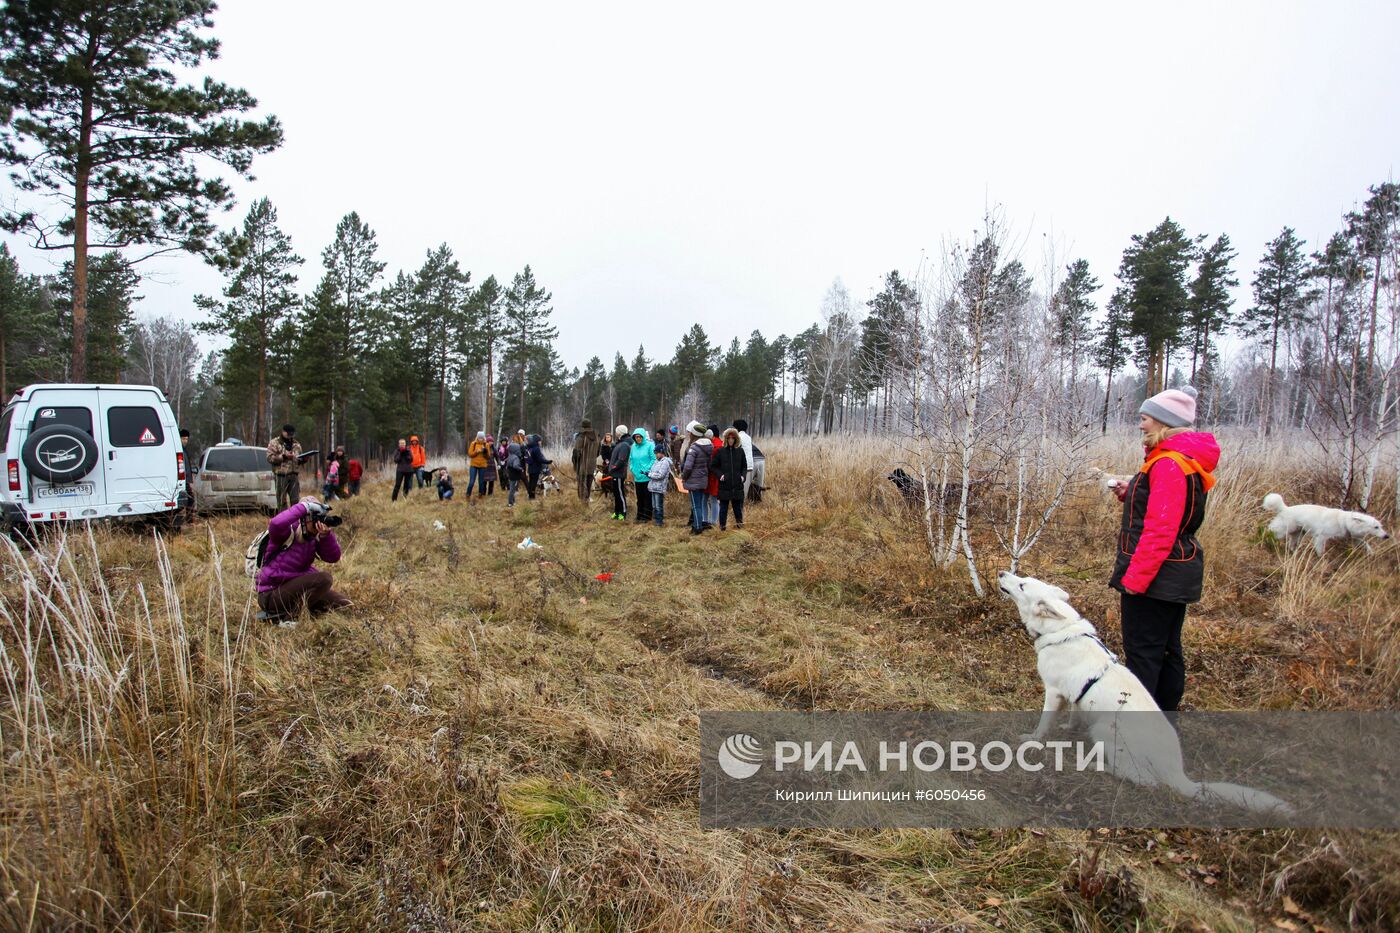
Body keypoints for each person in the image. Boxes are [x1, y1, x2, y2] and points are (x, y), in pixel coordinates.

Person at [1109, 386, 1218, 714]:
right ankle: (1164, 721)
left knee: (1145, 654)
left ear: (1164, 423)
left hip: (1158, 577)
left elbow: (1160, 532)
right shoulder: (1177, 461)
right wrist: (1134, 492)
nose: (1141, 425)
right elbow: (1170, 509)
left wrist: (1135, 581)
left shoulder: (1169, 464)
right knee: (1166, 650)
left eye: (1145, 419)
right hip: (1173, 572)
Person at [256, 496, 351, 619]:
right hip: (271, 594)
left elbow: (333, 557)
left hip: (297, 590)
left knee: (345, 604)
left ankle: (300, 609)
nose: (318, 523)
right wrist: (306, 507)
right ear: (304, 517)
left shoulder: (313, 538)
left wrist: (325, 536)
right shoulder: (286, 532)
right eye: (315, 518)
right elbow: (275, 523)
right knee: (325, 579)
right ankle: (291, 618)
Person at [680, 421, 712, 534]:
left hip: (693, 480)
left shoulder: (694, 448)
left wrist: (684, 477)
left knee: (695, 505)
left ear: (694, 434)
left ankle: (697, 527)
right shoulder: (709, 446)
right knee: (700, 503)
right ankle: (699, 523)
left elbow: (688, 467)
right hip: (703, 479)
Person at [713, 427, 749, 530]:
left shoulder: (740, 451)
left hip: (737, 484)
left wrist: (743, 476)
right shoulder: (720, 451)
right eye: (729, 438)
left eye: (733, 438)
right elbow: (713, 466)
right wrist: (720, 475)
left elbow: (744, 466)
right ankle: (722, 528)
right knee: (723, 508)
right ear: (726, 439)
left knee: (737, 508)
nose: (730, 440)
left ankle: (740, 527)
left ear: (736, 439)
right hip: (725, 485)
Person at [266, 424, 303, 511]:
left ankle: (295, 522)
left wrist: (303, 459)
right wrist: (283, 457)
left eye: (292, 434)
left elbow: (299, 458)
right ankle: (284, 522)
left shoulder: (296, 444)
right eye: (288, 433)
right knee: (281, 501)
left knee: (295, 501)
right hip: (281, 476)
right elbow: (269, 458)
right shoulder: (274, 443)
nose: (290, 435)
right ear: (283, 432)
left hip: (294, 476)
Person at [628, 427, 656, 522]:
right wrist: (632, 469)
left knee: (647, 497)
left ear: (643, 437)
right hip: (637, 476)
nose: (638, 438)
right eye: (636, 437)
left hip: (647, 476)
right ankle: (639, 515)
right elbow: (631, 460)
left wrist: (646, 469)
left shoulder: (650, 445)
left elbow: (654, 459)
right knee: (639, 497)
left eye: (640, 437)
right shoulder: (633, 447)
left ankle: (647, 516)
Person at [607, 424, 633, 520]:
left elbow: (621, 460)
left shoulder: (624, 445)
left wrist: (613, 468)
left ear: (620, 432)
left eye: (617, 431)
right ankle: (617, 512)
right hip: (615, 473)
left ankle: (623, 512)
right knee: (616, 493)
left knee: (620, 493)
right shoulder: (620, 443)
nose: (615, 432)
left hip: (619, 473)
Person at [571, 419, 600, 502]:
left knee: (582, 486)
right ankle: (587, 500)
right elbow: (598, 452)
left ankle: (583, 506)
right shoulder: (597, 436)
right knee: (588, 483)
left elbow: (576, 453)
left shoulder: (581, 436)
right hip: (592, 465)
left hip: (582, 465)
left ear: (582, 426)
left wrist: (575, 464)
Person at [647, 445, 673, 527]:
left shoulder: (665, 462)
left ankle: (659, 522)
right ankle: (655, 521)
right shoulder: (656, 461)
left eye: (657, 453)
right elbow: (651, 471)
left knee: (658, 506)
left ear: (661, 452)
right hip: (653, 487)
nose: (656, 455)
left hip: (659, 487)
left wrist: (649, 474)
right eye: (655, 453)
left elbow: (660, 475)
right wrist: (647, 472)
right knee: (654, 506)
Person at [179, 427, 200, 520]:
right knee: (190, 498)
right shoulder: (179, 450)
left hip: (185, 479)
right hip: (182, 480)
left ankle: (189, 517)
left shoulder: (184, 450)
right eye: (183, 438)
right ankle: (189, 518)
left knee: (189, 498)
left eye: (187, 439)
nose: (185, 441)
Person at [504, 430, 527, 507]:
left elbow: (508, 465)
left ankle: (512, 502)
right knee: (512, 490)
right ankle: (510, 503)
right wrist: (521, 469)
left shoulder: (510, 456)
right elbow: (515, 466)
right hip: (514, 475)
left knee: (511, 488)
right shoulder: (516, 458)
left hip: (510, 474)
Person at [733, 419, 756, 498]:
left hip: (741, 465)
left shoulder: (738, 437)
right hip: (749, 464)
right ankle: (743, 501)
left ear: (737, 428)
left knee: (738, 485)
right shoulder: (748, 437)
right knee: (744, 485)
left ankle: (739, 502)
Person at [468, 431, 493, 501]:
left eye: (482, 438)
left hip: (482, 465)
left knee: (481, 481)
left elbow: (488, 457)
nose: (480, 439)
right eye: (479, 438)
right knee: (472, 481)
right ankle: (468, 494)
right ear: (477, 437)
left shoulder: (486, 445)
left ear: (484, 438)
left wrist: (485, 452)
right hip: (474, 465)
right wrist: (476, 452)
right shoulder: (473, 443)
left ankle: (480, 495)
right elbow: (470, 454)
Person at [525, 433, 551, 499]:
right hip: (536, 469)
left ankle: (530, 496)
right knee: (534, 484)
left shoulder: (530, 447)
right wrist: (548, 461)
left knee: (530, 482)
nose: (540, 442)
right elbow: (540, 459)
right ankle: (532, 497)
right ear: (537, 441)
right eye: (540, 441)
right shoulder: (536, 448)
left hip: (530, 468)